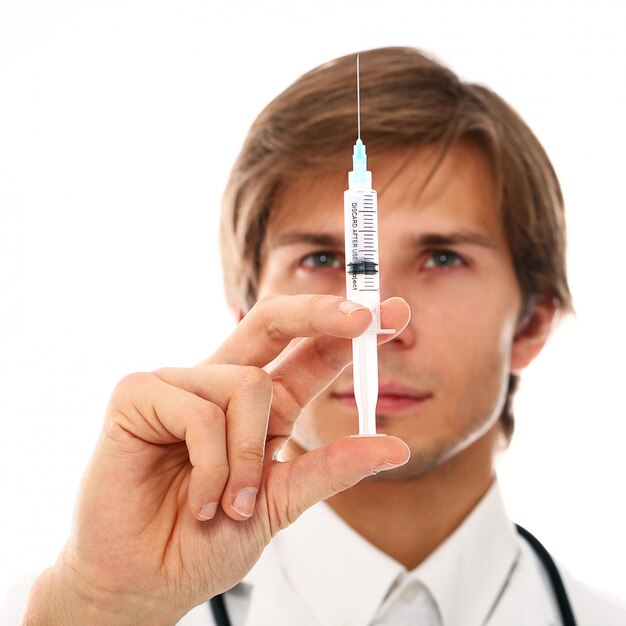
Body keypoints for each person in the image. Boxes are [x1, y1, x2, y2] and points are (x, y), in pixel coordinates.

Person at [22, 47, 626, 625]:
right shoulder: (73, 613)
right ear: (246, 310)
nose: (380, 327)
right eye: (317, 257)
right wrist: (103, 612)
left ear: (533, 320)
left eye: (443, 258)